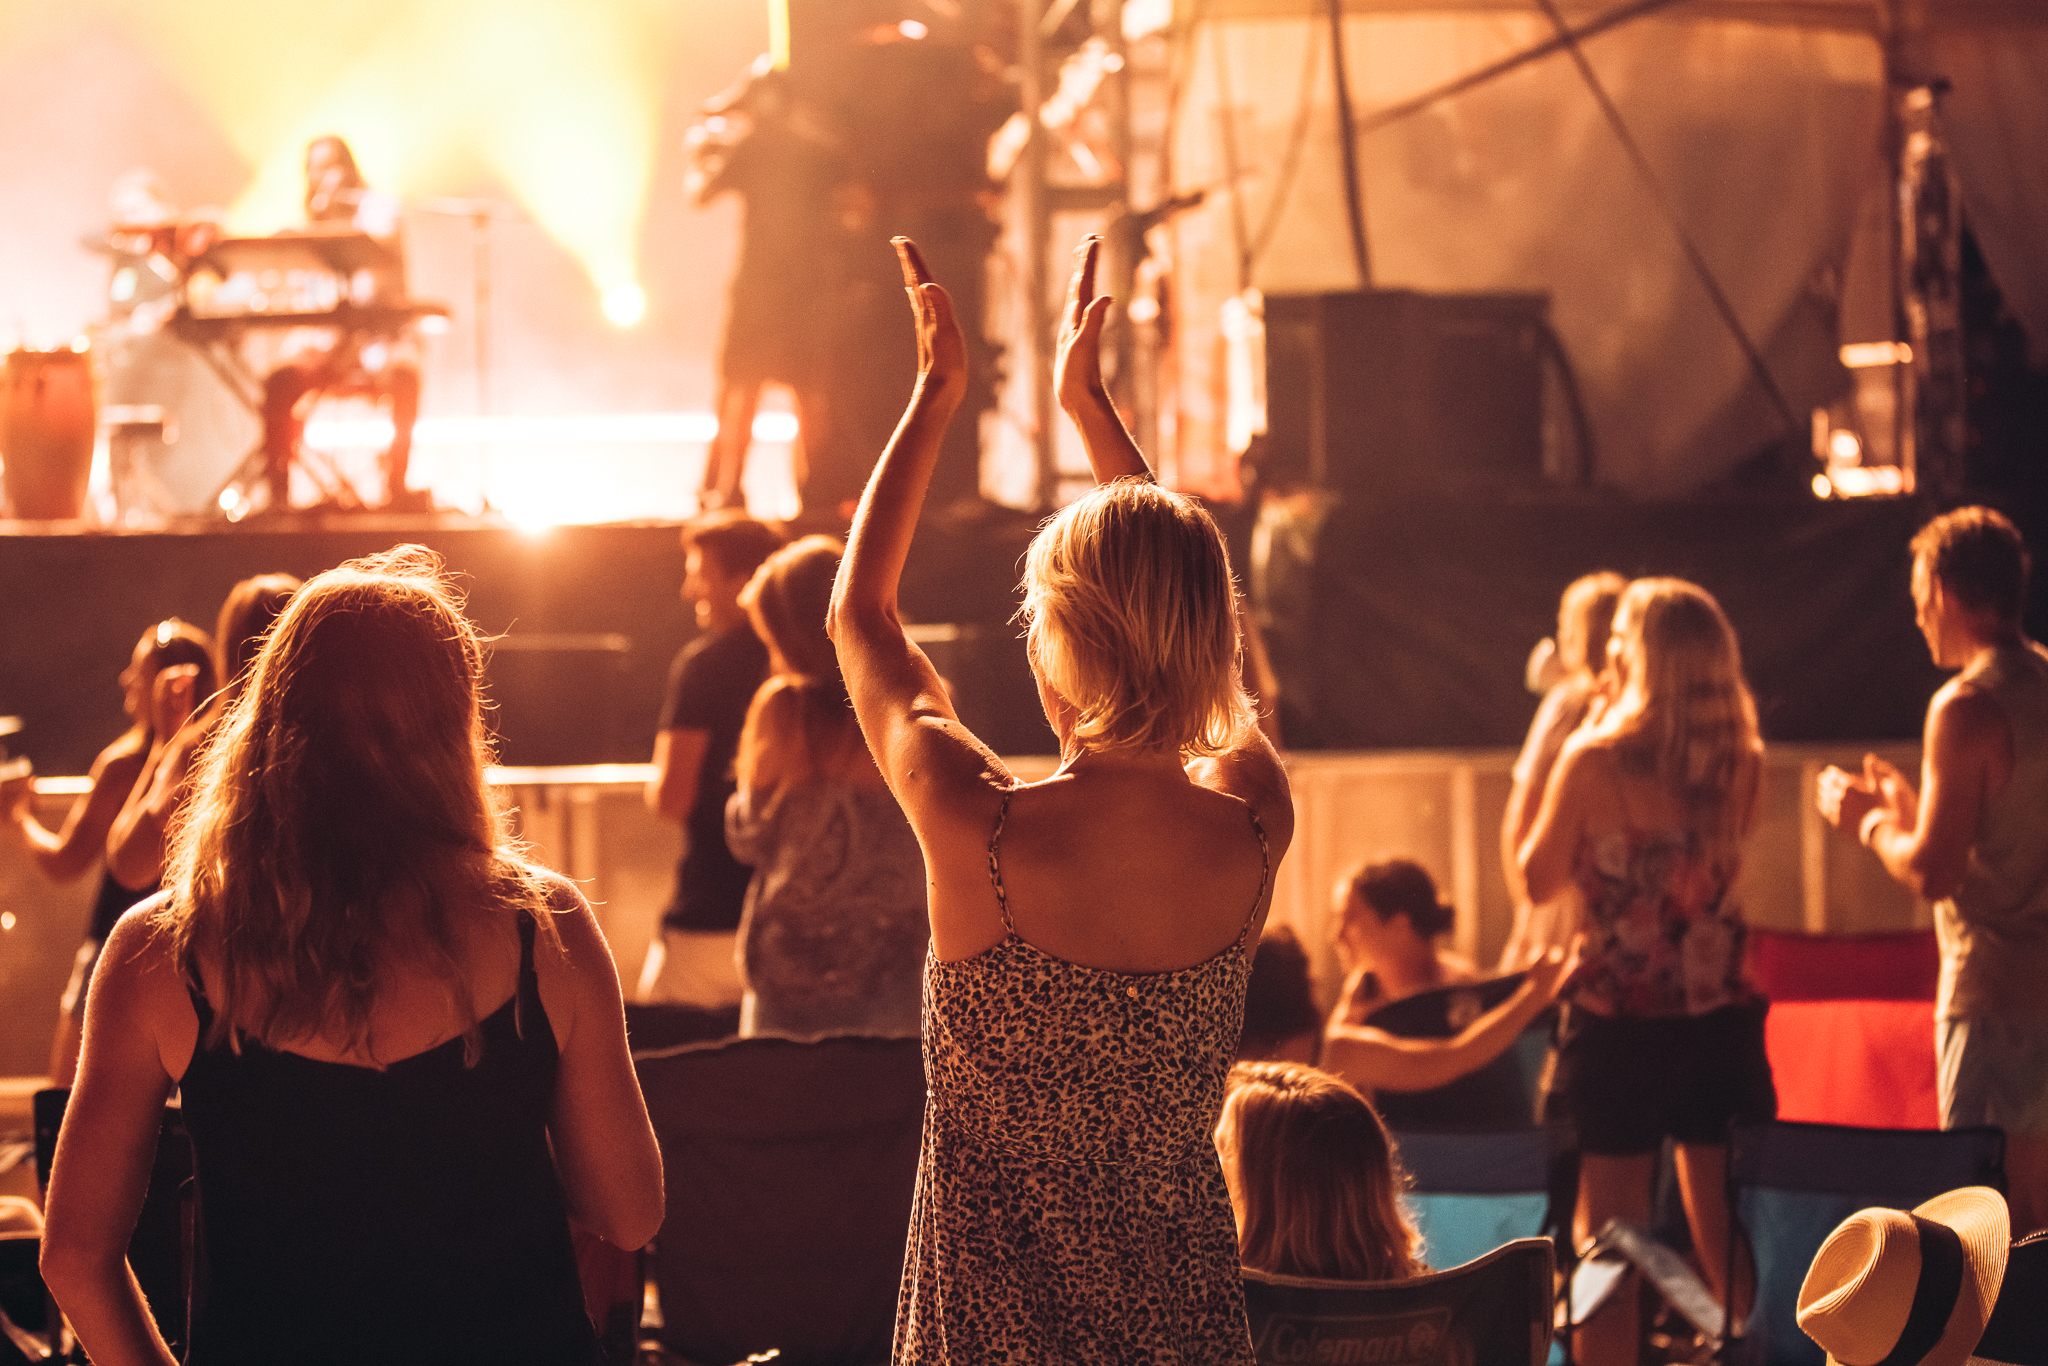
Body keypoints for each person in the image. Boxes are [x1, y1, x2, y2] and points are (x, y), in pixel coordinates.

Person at [830, 234, 1295, 1363]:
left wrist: (937, 395)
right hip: (1183, 1333)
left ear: (1053, 663)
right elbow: (1205, 647)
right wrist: (1089, 410)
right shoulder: (1251, 822)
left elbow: (861, 619)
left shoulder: (976, 827)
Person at [38, 546, 662, 1366]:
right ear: (455, 726)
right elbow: (629, 1213)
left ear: (270, 716)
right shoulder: (541, 926)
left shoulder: (165, 952)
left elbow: (74, 1256)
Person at [1520, 577, 1775, 1366]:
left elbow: (1534, 879)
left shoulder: (1593, 761)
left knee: (1612, 1252)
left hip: (1618, 1031)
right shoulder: (1742, 764)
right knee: (1725, 1241)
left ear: (1639, 659)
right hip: (1718, 1031)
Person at [1817, 506, 2048, 1236]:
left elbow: (1933, 873)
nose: (1916, 615)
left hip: (1993, 1001)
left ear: (1946, 591)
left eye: (1920, 595)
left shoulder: (1964, 707)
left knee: (1994, 1229)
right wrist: (1916, 808)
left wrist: (1870, 822)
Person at [725, 534, 927, 1037]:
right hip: (894, 959)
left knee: (781, 1109)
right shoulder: (912, 701)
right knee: (884, 1110)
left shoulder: (783, 712)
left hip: (788, 963)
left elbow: (750, 837)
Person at [2, 619, 213, 1085]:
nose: (126, 680)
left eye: (137, 669)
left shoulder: (123, 767)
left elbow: (64, 862)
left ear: (163, 684)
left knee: (70, 1094)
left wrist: (18, 818)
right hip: (194, 951)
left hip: (114, 946)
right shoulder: (217, 756)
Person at [639, 511, 786, 1013]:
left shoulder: (704, 668)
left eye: (699, 572)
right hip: (791, 925)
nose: (688, 589)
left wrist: (655, 784)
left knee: (662, 1075)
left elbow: (673, 799)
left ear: (741, 581)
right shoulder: (814, 664)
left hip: (710, 922)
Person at [104, 575, 300, 896]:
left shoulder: (201, 749)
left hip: (227, 937)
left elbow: (128, 864)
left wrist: (163, 746)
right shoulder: (339, 746)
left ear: (228, 652)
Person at [260, 135, 425, 512]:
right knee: (279, 384)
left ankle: (396, 490)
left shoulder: (378, 210)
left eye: (330, 166)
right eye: (313, 169)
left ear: (349, 170)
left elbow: (382, 242)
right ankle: (277, 498)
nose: (321, 177)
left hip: (375, 346)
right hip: (321, 348)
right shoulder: (307, 227)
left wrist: (347, 207)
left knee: (405, 379)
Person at [1320, 859, 1577, 1101]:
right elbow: (1452, 1057)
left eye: (1349, 918)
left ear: (1400, 925)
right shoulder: (1354, 1012)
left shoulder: (1464, 989)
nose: (1338, 935)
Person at [1500, 571, 1625, 968]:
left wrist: (1528, 910)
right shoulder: (1640, 709)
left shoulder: (1565, 705)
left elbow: (1523, 815)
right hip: (1622, 893)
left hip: (1564, 894)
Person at [1215, 1061, 1426, 1282]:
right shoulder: (1427, 1296)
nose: (1208, 1166)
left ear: (1276, 1195)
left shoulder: (1204, 1301)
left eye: (1225, 1151)